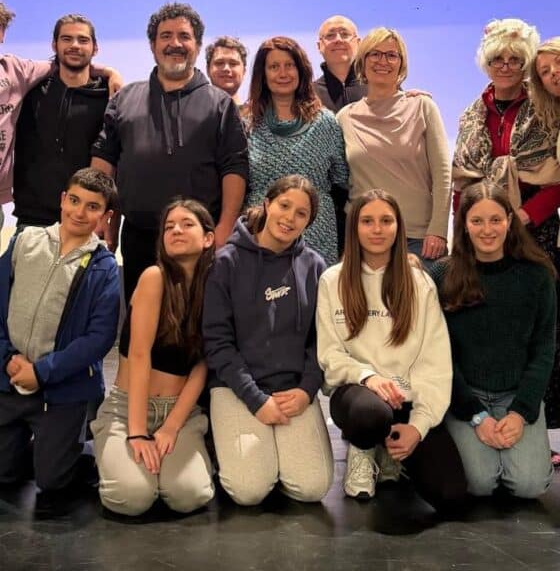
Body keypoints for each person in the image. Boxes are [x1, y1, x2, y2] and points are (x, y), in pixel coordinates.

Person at [317, 189, 466, 510]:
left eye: (386, 221)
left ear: (398, 227)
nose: (377, 229)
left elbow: (434, 362)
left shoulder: (419, 283)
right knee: (371, 414)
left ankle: (390, 450)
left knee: (450, 493)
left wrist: (418, 426)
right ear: (354, 227)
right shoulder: (332, 280)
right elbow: (329, 354)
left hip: (405, 399)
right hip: (357, 397)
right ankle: (363, 448)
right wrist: (368, 377)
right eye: (367, 221)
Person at [91, 2, 248, 302]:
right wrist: (102, 214)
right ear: (152, 45)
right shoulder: (125, 99)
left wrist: (225, 227)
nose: (175, 43)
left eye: (184, 36)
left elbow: (234, 168)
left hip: (201, 240)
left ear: (197, 46)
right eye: (165, 36)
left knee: (199, 324)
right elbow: (105, 162)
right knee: (140, 322)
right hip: (139, 236)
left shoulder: (220, 104)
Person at [454, 21, 560, 457]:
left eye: (515, 60)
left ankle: (539, 429)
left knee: (539, 326)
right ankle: (486, 416)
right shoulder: (471, 113)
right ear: (486, 62)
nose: (506, 66)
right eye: (498, 58)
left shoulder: (545, 108)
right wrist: (463, 227)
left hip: (534, 227)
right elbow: (463, 176)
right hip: (483, 230)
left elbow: (556, 174)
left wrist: (525, 216)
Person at [203, 175, 334, 506]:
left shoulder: (315, 266)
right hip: (236, 388)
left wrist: (307, 390)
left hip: (292, 391)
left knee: (312, 487)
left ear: (309, 222)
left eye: (301, 214)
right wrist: (256, 400)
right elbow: (218, 342)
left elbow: (323, 340)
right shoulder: (226, 262)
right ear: (267, 204)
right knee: (249, 490)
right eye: (284, 206)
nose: (290, 218)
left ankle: (276, 458)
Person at [431, 181, 556, 498]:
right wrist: (475, 414)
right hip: (465, 395)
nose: (487, 230)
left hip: (516, 393)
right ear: (464, 224)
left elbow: (543, 349)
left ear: (510, 221)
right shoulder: (443, 275)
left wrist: (520, 412)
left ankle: (515, 452)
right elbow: (439, 355)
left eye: (496, 220)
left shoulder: (537, 275)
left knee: (529, 485)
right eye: (477, 221)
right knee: (479, 483)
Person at [92, 198, 215, 516]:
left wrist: (172, 426)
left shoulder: (214, 288)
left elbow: (202, 365)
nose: (176, 230)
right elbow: (139, 355)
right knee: (132, 497)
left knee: (189, 495)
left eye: (187, 224)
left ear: (208, 238)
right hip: (129, 409)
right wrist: (137, 432)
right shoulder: (154, 277)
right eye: (169, 226)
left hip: (181, 412)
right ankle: (113, 453)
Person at [0, 168, 120, 494]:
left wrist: (42, 372)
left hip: (62, 389)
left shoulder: (104, 267)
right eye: (75, 201)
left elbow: (99, 338)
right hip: (10, 377)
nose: (79, 213)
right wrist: (7, 358)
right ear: (63, 199)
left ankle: (82, 446)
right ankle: (35, 449)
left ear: (105, 216)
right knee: (3, 474)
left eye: (92, 207)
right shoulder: (25, 241)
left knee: (52, 481)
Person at [0, 1, 122, 239]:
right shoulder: (33, 92)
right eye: (67, 39)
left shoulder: (16, 72)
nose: (74, 45)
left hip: (83, 221)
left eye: (83, 40)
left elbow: (115, 161)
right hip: (31, 220)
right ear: (54, 45)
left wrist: (109, 72)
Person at [336, 27, 451, 269]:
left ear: (401, 64)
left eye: (391, 55)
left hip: (419, 239)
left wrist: (438, 230)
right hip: (363, 239)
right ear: (362, 61)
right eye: (375, 54)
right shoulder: (344, 117)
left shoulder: (422, 107)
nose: (383, 61)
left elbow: (443, 174)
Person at [245, 36, 348, 266]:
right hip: (261, 235)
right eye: (274, 67)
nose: (283, 73)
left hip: (316, 237)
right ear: (263, 74)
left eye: (289, 65)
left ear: (301, 70)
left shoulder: (325, 122)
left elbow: (341, 179)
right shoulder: (247, 124)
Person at [314, 15, 366, 114]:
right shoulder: (308, 95)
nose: (338, 40)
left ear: (358, 43)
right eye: (330, 35)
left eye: (345, 34)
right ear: (319, 46)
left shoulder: (378, 87)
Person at [205, 36, 247, 106]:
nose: (226, 68)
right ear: (208, 70)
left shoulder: (256, 112)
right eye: (219, 63)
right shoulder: (191, 110)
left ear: (244, 72)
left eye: (233, 63)